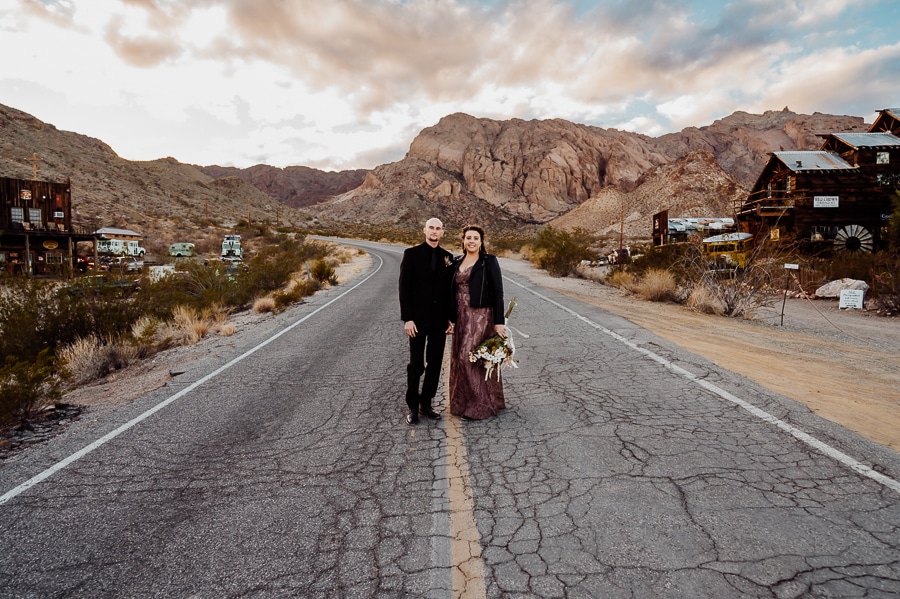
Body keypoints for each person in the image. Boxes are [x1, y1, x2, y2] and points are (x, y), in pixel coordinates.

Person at [398, 218, 455, 425]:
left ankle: (426, 403)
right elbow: (404, 288)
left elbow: (450, 291)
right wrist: (408, 319)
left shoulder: (448, 258)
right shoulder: (411, 254)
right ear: (424, 230)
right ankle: (413, 406)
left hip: (439, 321)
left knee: (435, 363)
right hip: (417, 321)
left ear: (442, 233)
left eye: (438, 228)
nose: (434, 231)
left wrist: (451, 319)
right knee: (416, 364)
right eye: (431, 228)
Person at [448, 225, 507, 420]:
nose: (471, 241)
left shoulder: (488, 261)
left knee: (470, 357)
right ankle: (463, 403)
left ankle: (479, 406)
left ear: (481, 242)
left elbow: (498, 292)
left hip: (481, 315)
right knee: (459, 358)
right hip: (460, 315)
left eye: (475, 238)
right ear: (463, 241)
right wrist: (450, 319)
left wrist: (499, 322)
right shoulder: (457, 262)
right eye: (468, 238)